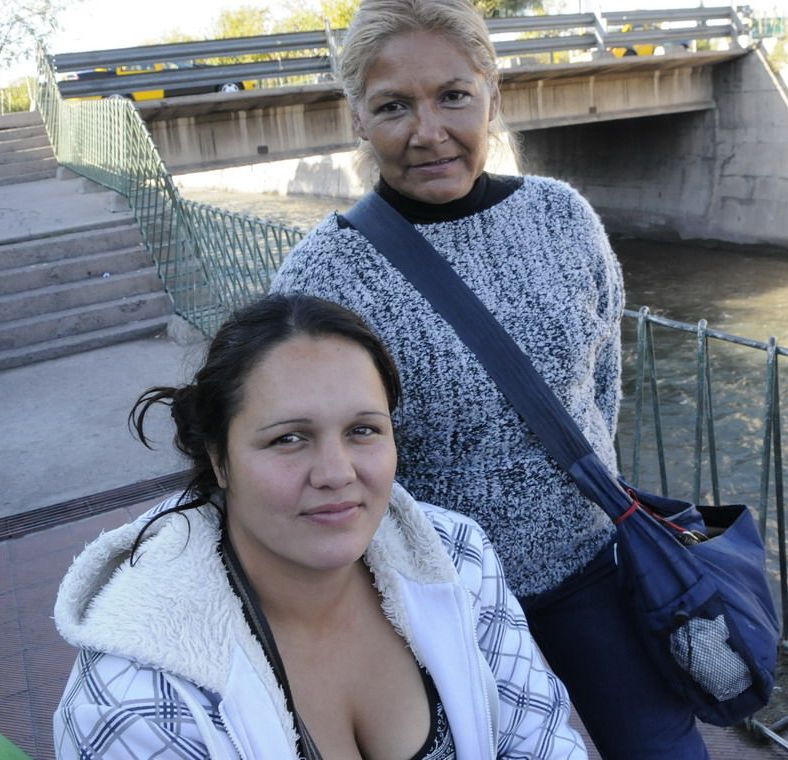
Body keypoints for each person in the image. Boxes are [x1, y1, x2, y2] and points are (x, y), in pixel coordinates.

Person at [270, 1, 710, 757]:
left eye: (452, 96)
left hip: (591, 574)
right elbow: (309, 456)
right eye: (393, 107)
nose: (428, 131)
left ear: (492, 96)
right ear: (358, 121)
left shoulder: (562, 217)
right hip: (429, 605)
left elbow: (600, 383)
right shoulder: (321, 278)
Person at [52, 294, 585, 759]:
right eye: (289, 438)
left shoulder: (456, 557)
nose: (336, 473)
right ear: (219, 459)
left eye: (363, 430)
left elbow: (540, 743)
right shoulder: (136, 701)